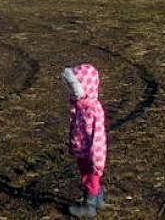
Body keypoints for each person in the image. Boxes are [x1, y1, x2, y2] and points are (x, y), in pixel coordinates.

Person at [62, 63, 107, 217]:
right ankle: (98, 197)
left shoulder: (93, 111)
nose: (73, 91)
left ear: (85, 87)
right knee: (87, 175)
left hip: (91, 154)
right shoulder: (80, 105)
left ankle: (89, 206)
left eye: (75, 87)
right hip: (82, 150)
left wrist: (97, 159)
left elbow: (98, 138)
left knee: (90, 177)